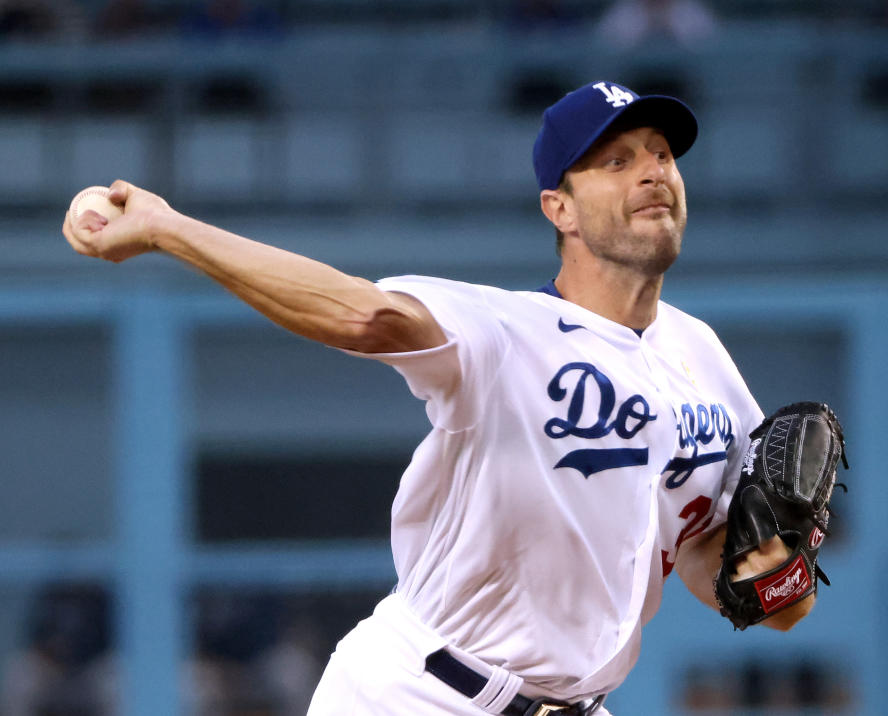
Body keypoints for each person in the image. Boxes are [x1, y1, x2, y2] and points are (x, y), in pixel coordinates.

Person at [63, 80, 815, 716]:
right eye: (617, 161)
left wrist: (780, 575)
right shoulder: (503, 331)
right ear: (560, 210)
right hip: (419, 693)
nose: (653, 172)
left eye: (661, 155)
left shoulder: (701, 358)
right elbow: (365, 314)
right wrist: (166, 227)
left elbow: (714, 566)